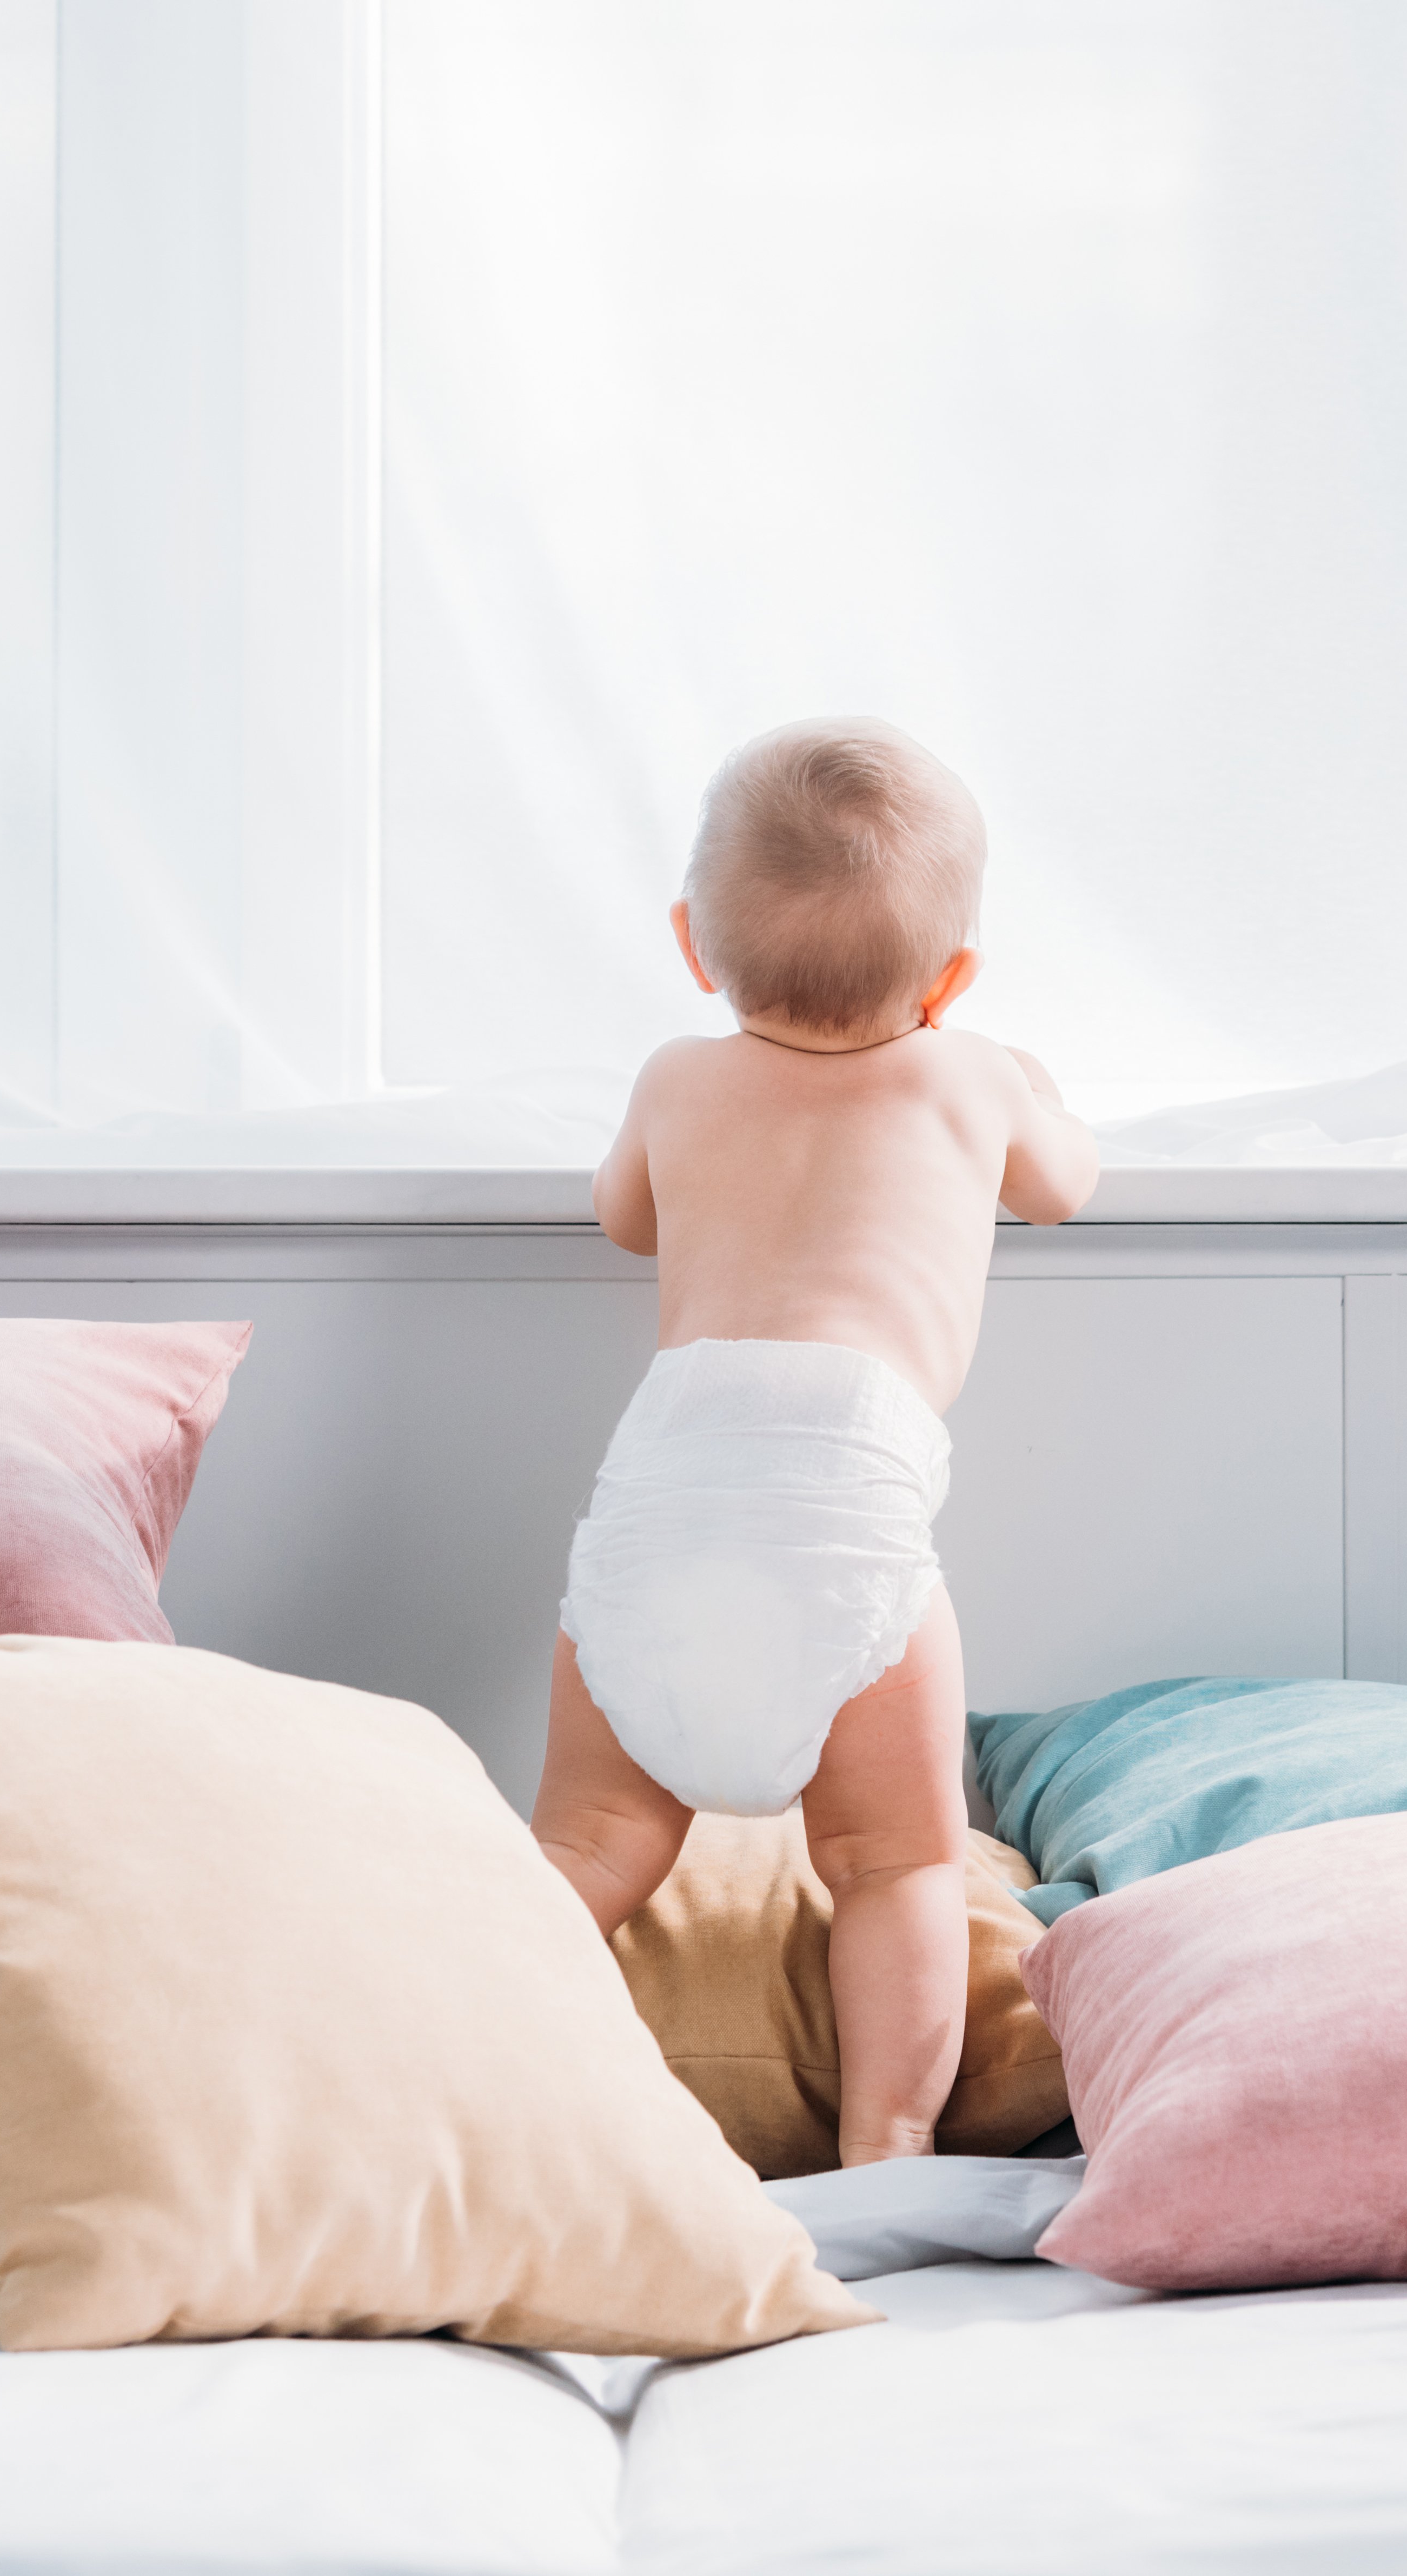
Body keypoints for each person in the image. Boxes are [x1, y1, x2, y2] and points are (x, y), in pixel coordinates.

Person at [533, 716, 1100, 2167]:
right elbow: (1062, 1189)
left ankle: (443, 2078)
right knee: (895, 1863)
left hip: (662, 1488)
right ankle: (883, 2152)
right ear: (955, 977)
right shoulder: (968, 1077)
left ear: (691, 946)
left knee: (583, 1852)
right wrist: (1024, 1078)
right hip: (839, 1498)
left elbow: (624, 1216)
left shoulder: (675, 1079)